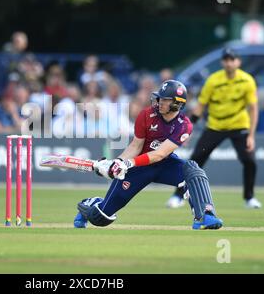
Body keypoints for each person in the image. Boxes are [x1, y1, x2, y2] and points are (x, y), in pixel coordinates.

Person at [73, 80, 224, 230]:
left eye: (164, 99)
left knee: (192, 170)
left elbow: (160, 154)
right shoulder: (146, 115)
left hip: (163, 164)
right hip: (138, 168)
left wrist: (128, 163)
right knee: (101, 218)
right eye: (159, 98)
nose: (159, 102)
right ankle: (89, 204)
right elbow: (135, 145)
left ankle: (205, 215)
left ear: (177, 103)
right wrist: (118, 161)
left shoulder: (184, 125)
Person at [167, 48, 261, 209]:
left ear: (238, 62)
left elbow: (253, 109)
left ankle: (249, 198)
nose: (229, 63)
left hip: (239, 126)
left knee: (249, 161)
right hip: (215, 125)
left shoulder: (247, 81)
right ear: (222, 62)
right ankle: (178, 196)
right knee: (195, 160)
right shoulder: (213, 80)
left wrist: (251, 136)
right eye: (226, 59)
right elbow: (200, 107)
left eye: (232, 59)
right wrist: (187, 130)